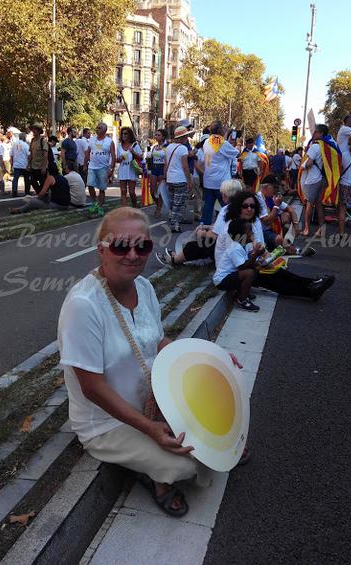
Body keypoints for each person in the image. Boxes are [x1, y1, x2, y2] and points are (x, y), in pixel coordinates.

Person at [58, 207, 238, 517]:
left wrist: (211, 361)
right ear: (101, 249)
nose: (132, 255)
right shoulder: (83, 306)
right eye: (120, 245)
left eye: (142, 246)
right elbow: (92, 388)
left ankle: (152, 458)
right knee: (185, 463)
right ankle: (149, 474)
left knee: (216, 432)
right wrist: (150, 428)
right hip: (106, 422)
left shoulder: (144, 287)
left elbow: (158, 343)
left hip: (155, 399)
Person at [215, 196, 335, 302]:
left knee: (277, 271)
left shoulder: (253, 222)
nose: (249, 209)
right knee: (271, 279)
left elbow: (257, 248)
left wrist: (266, 259)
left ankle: (312, 283)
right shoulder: (232, 229)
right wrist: (258, 259)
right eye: (245, 206)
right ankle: (310, 291)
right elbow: (238, 261)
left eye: (252, 206)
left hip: (245, 263)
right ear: (237, 207)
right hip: (235, 271)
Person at [155, 179, 243, 267]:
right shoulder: (242, 207)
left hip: (225, 251)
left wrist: (202, 233)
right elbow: (224, 230)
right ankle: (179, 256)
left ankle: (174, 260)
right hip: (237, 248)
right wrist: (208, 227)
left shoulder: (226, 210)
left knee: (196, 244)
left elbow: (215, 236)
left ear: (225, 195)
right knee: (203, 238)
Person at [213, 218, 263, 312]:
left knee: (255, 269)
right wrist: (256, 254)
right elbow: (243, 266)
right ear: (241, 235)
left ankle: (242, 292)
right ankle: (242, 300)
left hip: (231, 276)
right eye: (250, 231)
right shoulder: (235, 248)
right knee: (249, 273)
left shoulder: (242, 246)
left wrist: (260, 262)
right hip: (222, 280)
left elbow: (246, 263)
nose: (252, 234)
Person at [300, 124, 341, 237]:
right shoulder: (329, 146)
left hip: (312, 179)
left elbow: (309, 163)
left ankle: (307, 229)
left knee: (309, 204)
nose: (313, 134)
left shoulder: (315, 146)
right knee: (320, 205)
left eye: (315, 132)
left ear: (321, 133)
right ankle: (320, 230)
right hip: (324, 179)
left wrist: (302, 166)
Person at [201, 121, 239, 225]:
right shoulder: (223, 143)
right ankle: (226, 229)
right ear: (219, 130)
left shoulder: (207, 142)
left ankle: (204, 229)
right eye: (222, 128)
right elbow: (236, 153)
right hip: (221, 183)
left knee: (208, 208)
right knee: (226, 207)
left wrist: (225, 136)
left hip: (208, 181)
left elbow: (217, 147)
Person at [165, 126, 194, 233]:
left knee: (173, 202)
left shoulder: (168, 147)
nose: (187, 138)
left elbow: (166, 164)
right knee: (178, 203)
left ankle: (175, 220)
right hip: (180, 179)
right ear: (183, 137)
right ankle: (174, 224)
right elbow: (185, 166)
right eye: (186, 136)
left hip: (170, 178)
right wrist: (189, 181)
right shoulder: (183, 148)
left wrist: (165, 176)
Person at [85, 122, 115, 216]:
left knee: (102, 189)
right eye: (97, 127)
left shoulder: (109, 141)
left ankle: (100, 207)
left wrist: (111, 169)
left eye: (99, 128)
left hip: (103, 168)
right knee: (90, 185)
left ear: (105, 130)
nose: (97, 129)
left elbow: (113, 156)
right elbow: (87, 151)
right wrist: (85, 164)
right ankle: (94, 203)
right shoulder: (92, 140)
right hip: (92, 167)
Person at [117, 126, 143, 208]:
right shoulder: (119, 146)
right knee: (123, 191)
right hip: (122, 169)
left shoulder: (135, 145)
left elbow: (141, 157)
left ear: (129, 135)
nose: (123, 135)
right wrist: (119, 158)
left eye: (125, 134)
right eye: (122, 134)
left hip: (131, 169)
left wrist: (133, 152)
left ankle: (135, 205)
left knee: (131, 192)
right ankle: (124, 209)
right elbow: (117, 159)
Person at [149, 129, 168, 216]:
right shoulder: (154, 147)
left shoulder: (167, 147)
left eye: (158, 135)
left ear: (163, 136)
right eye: (156, 135)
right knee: (152, 190)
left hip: (162, 168)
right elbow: (151, 159)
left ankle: (159, 208)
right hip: (154, 168)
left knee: (160, 191)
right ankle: (158, 204)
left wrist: (165, 173)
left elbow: (167, 160)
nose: (156, 136)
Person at [28, 122, 49, 194]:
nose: (33, 131)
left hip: (40, 167)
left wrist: (43, 167)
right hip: (33, 166)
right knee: (33, 182)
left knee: (43, 183)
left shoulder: (43, 140)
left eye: (35, 129)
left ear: (39, 131)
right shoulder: (32, 140)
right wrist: (28, 164)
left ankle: (42, 196)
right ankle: (40, 194)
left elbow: (45, 155)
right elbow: (31, 154)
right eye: (33, 129)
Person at [11, 132, 31, 196]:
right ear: (24, 137)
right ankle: (27, 191)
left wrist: (12, 163)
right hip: (24, 164)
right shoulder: (25, 145)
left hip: (16, 164)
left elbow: (11, 155)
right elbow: (29, 155)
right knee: (27, 179)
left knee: (15, 179)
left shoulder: (14, 144)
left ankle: (14, 191)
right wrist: (29, 164)